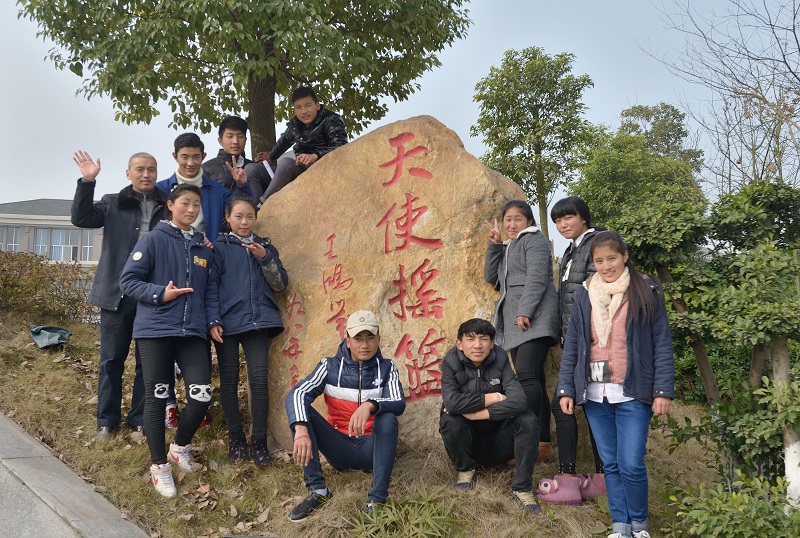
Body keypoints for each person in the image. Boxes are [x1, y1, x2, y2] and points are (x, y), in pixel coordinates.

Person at [556, 231, 675, 538]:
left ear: (625, 256)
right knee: (610, 463)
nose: (606, 266)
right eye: (599, 261)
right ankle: (620, 526)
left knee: (631, 463)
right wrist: (566, 389)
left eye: (611, 258)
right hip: (596, 394)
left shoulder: (645, 289)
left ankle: (639, 526)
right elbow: (573, 345)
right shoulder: (585, 293)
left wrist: (662, 390)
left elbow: (661, 342)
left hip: (633, 391)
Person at [119, 184, 214, 498]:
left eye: (196, 204)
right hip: (156, 330)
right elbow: (128, 281)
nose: (191, 209)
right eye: (185, 203)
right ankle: (159, 466)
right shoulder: (153, 239)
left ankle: (180, 447)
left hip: (192, 332)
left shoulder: (203, 248)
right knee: (158, 396)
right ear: (171, 205)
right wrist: (161, 293)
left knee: (201, 395)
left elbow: (210, 291)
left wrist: (211, 321)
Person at [71, 150, 168, 441]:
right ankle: (107, 421)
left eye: (151, 169)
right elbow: (82, 218)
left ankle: (140, 419)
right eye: (140, 169)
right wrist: (87, 182)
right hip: (117, 294)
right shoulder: (113, 202)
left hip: (152, 297)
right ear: (128, 173)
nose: (146, 174)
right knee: (111, 360)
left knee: (147, 363)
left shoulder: (168, 205)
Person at [157, 132, 252, 427]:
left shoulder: (214, 188)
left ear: (204, 157)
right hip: (170, 269)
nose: (190, 162)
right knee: (167, 338)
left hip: (204, 266)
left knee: (197, 335)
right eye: (184, 156)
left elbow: (240, 211)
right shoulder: (161, 189)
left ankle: (197, 403)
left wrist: (241, 185)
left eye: (196, 156)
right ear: (175, 157)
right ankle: (168, 404)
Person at [284, 311, 405, 521]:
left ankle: (377, 500)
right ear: (347, 340)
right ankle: (318, 491)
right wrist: (301, 429)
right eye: (358, 338)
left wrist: (369, 405)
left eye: (370, 338)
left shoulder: (387, 368)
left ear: (378, 339)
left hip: (372, 450)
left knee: (388, 417)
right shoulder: (329, 366)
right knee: (302, 412)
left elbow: (398, 401)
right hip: (338, 447)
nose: (364, 345)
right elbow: (298, 393)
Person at [207, 196, 288, 467]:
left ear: (255, 218)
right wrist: (213, 320)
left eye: (249, 216)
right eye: (238, 216)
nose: (244, 222)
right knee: (229, 381)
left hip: (259, 322)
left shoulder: (265, 246)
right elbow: (210, 286)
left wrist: (264, 258)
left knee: (259, 381)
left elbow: (280, 284)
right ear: (227, 218)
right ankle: (236, 439)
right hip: (227, 323)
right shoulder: (218, 247)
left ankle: (259, 442)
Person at [537, 196, 606, 505]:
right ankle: (598, 477)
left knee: (580, 406)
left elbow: (598, 292)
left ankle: (575, 478)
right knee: (588, 407)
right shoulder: (571, 250)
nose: (563, 224)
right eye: (558, 220)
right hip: (576, 343)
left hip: (594, 343)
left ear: (584, 217)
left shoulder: (596, 244)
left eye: (568, 217)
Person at [439, 318, 542, 515]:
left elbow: (520, 401)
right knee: (450, 419)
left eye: (483, 339)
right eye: (471, 339)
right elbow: (451, 403)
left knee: (528, 418)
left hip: (500, 441)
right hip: (468, 443)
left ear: (492, 342)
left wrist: (481, 414)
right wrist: (494, 397)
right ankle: (465, 470)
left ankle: (522, 487)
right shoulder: (451, 362)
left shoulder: (500, 359)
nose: (477, 345)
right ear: (459, 344)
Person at [484, 199, 559, 462]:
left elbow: (537, 277)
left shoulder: (534, 240)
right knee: (533, 378)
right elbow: (491, 277)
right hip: (518, 322)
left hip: (534, 318)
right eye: (508, 219)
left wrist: (525, 310)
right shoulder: (509, 246)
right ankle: (543, 444)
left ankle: (527, 442)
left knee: (527, 378)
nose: (512, 224)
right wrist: (495, 245)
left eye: (518, 218)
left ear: (529, 221)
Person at [247, 86, 348, 205]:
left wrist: (315, 156)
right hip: (300, 171)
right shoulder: (295, 125)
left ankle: (262, 206)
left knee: (286, 163)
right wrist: (271, 156)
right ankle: (252, 209)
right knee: (251, 169)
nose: (303, 111)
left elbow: (341, 146)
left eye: (308, 105)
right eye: (298, 107)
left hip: (321, 172)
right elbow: (283, 142)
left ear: (317, 105)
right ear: (294, 110)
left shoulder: (331, 119)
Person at [202, 116, 270, 202]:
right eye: (230, 136)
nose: (235, 141)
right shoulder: (206, 169)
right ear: (220, 141)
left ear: (245, 139)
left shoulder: (254, 169)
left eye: (240, 136)